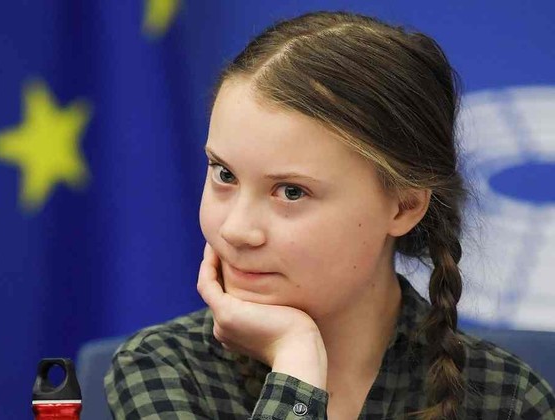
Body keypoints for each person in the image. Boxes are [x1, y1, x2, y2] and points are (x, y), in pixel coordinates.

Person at [104, 10, 555, 419]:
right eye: (224, 174)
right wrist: (296, 362)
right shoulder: (162, 367)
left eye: (291, 192)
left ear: (404, 206)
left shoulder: (507, 400)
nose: (237, 229)